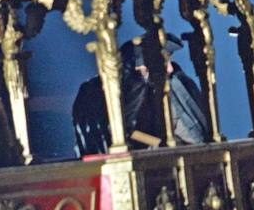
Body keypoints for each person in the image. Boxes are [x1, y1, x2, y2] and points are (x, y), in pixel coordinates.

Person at [72, 34, 208, 155]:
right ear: (139, 67)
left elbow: (194, 136)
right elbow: (125, 131)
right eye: (163, 62)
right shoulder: (105, 93)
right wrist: (160, 144)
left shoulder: (171, 86)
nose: (170, 68)